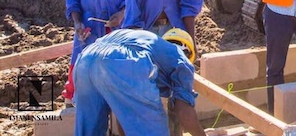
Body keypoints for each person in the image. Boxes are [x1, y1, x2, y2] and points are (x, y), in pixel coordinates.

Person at [73, 28, 218, 136]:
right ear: (189, 52)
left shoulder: (150, 45)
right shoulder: (181, 61)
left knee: (89, 130)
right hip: (122, 59)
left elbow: (126, 114)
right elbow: (184, 111)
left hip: (85, 59)